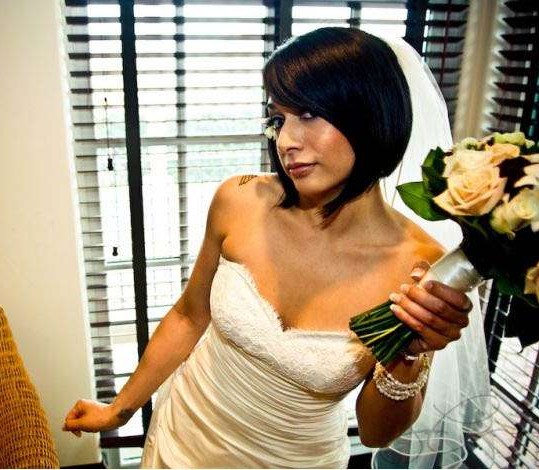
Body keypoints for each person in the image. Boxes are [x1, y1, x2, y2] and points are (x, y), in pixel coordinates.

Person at [63, 27, 490, 468]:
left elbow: (376, 433)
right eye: (279, 119)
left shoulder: (421, 267)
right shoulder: (239, 200)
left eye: (308, 113)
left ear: (371, 114)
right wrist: (119, 409)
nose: (285, 141)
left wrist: (408, 354)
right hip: (185, 438)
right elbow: (189, 316)